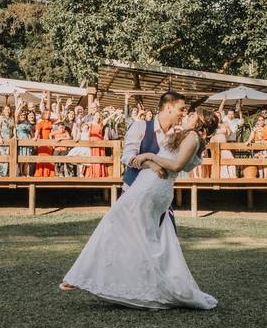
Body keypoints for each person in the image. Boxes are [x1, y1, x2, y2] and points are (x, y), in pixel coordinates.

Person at [59, 108, 219, 310]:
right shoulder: (185, 134)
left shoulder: (193, 137)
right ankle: (96, 277)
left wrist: (149, 155)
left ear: (199, 121)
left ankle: (83, 276)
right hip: (147, 182)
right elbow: (167, 160)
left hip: (153, 188)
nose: (188, 114)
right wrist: (150, 161)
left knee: (117, 223)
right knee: (137, 234)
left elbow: (177, 165)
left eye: (194, 114)